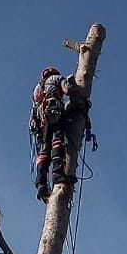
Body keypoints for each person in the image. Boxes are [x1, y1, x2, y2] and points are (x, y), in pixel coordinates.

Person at [29, 65, 73, 201]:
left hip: (42, 122)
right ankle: (58, 174)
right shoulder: (57, 78)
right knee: (58, 141)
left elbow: (35, 109)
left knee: (44, 152)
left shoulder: (38, 89)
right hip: (54, 112)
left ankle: (41, 185)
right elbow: (68, 90)